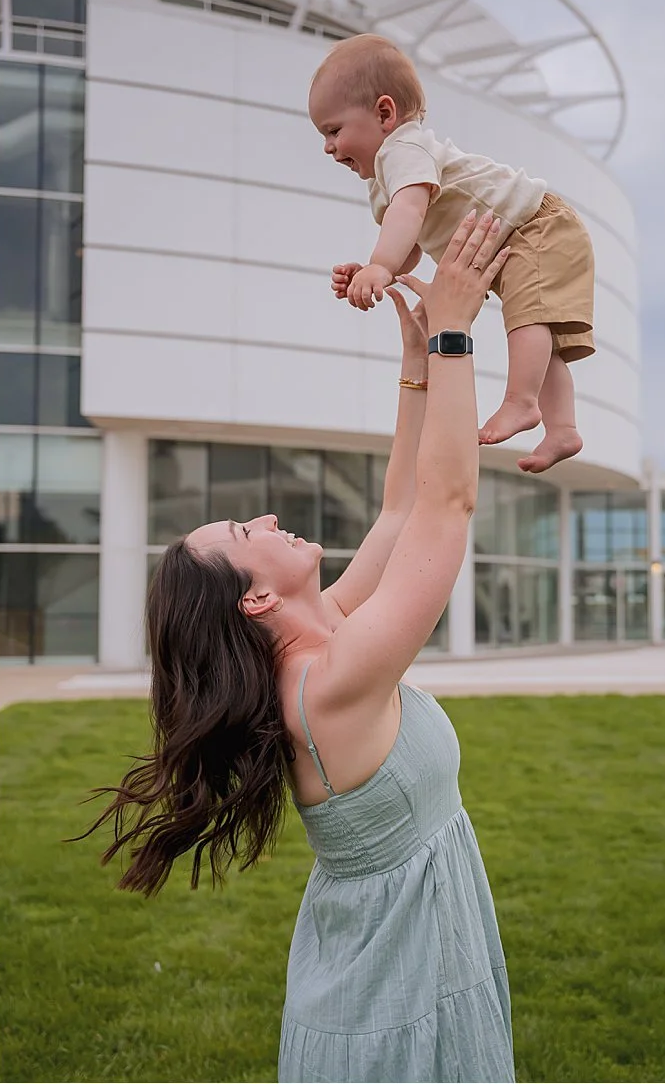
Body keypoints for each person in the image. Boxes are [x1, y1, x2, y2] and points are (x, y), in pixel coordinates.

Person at [82, 211, 519, 1082]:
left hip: (406, 977)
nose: (270, 515)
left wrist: (415, 369)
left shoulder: (330, 639)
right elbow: (447, 507)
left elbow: (400, 509)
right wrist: (455, 333)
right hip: (393, 1012)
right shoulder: (332, 686)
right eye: (249, 530)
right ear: (256, 597)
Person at [311, 34, 595, 472]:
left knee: (528, 320)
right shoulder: (385, 181)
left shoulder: (403, 149)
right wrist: (379, 271)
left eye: (334, 131)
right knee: (541, 337)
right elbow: (411, 243)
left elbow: (409, 212)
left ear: (385, 114)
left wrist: (379, 265)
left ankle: (521, 402)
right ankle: (562, 428)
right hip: (517, 237)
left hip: (535, 225)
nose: (328, 147)